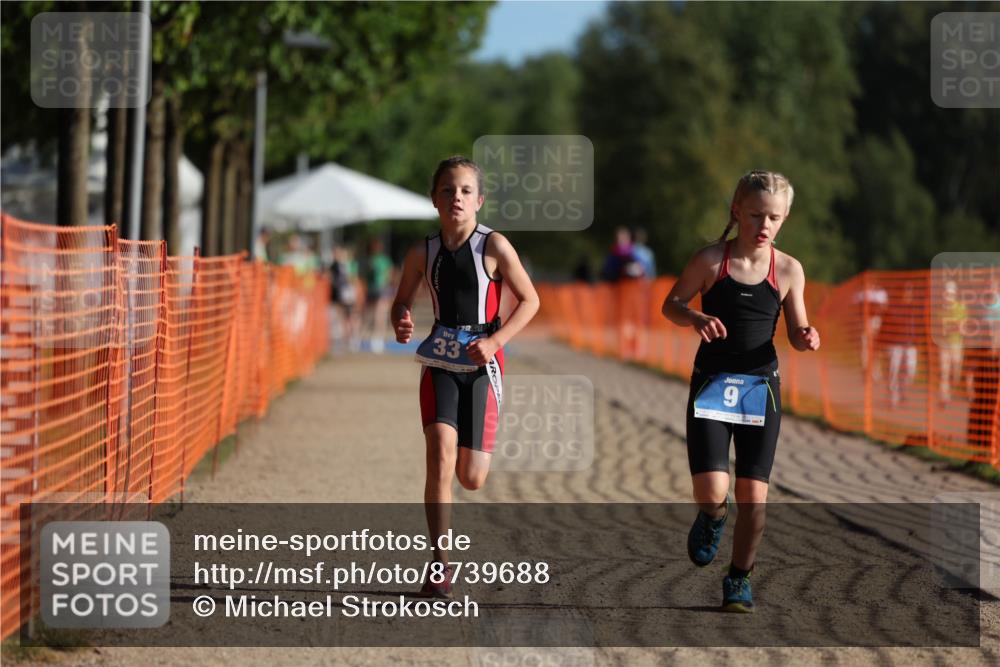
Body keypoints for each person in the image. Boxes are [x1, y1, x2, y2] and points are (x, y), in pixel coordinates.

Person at [661, 170, 820, 613]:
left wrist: (805, 335)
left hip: (760, 387)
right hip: (712, 383)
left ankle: (739, 578)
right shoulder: (711, 261)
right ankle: (713, 518)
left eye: (774, 217)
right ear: (737, 212)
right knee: (714, 491)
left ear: (785, 219)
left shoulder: (789, 270)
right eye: (755, 215)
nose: (764, 225)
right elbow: (670, 304)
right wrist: (694, 318)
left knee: (755, 496)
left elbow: (795, 328)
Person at [391, 156, 539, 598]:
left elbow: (530, 301)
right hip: (439, 359)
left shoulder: (493, 246)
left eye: (465, 191)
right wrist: (399, 319)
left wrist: (495, 342)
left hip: (483, 362)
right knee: (439, 455)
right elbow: (400, 302)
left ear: (479, 200)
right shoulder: (422, 251)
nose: (456, 197)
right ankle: (440, 565)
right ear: (434, 198)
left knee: (472, 476)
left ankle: (471, 455)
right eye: (447, 190)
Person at [362, 238, 394, 354]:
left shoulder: (384, 260)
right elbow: (364, 275)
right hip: (371, 290)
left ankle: (378, 339)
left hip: (381, 289)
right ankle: (365, 337)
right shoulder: (369, 260)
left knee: (380, 315)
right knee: (368, 314)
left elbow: (389, 274)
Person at [329, 245, 359, 350]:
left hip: (347, 295)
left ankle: (352, 338)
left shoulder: (349, 266)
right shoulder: (333, 266)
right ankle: (344, 339)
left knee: (350, 317)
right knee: (340, 317)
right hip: (338, 296)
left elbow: (352, 280)